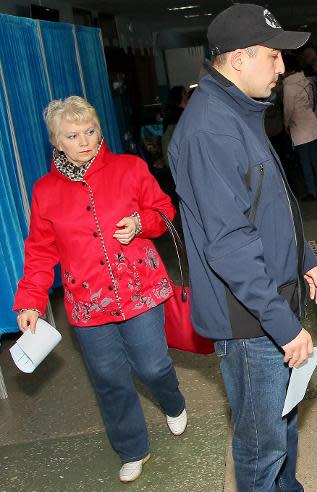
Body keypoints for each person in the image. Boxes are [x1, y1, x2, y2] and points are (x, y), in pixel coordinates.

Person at [167, 5, 317, 491]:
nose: (282, 68)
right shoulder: (210, 130)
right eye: (273, 57)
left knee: (282, 426)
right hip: (249, 319)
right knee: (262, 447)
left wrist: (305, 257)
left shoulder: (236, 111)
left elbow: (267, 205)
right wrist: (283, 326)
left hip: (269, 301)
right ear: (238, 58)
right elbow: (231, 245)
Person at [14, 96, 186, 483]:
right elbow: (40, 251)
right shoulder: (45, 191)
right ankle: (131, 448)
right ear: (57, 142)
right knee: (109, 379)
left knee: (153, 365)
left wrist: (140, 224)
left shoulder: (130, 167)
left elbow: (164, 211)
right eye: (73, 135)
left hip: (140, 288)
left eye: (90, 131)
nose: (85, 141)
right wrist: (30, 300)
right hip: (88, 304)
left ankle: (172, 399)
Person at [283, 54, 317, 200]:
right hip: (312, 124)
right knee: (315, 159)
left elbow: (288, 109)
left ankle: (311, 191)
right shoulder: (306, 80)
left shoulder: (289, 86)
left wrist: (286, 125)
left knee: (305, 161)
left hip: (299, 127)